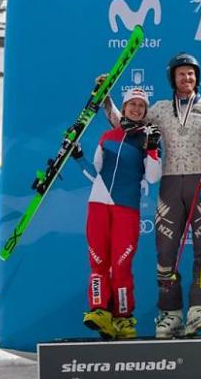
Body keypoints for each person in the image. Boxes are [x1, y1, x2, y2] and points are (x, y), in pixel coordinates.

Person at [105, 52, 201, 338]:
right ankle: (170, 314)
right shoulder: (158, 109)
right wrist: (106, 101)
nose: (187, 78)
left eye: (191, 74)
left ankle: (200, 309)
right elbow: (126, 126)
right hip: (169, 185)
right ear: (173, 78)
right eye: (181, 74)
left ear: (198, 78)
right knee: (166, 252)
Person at [73, 87, 162, 340]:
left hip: (126, 209)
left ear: (145, 111)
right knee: (98, 262)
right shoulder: (107, 136)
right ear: (123, 108)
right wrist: (78, 157)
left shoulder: (147, 138)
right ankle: (100, 310)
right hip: (98, 205)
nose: (136, 108)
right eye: (132, 104)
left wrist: (153, 149)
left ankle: (123, 318)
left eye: (141, 106)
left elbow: (153, 177)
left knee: (121, 265)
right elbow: (94, 174)